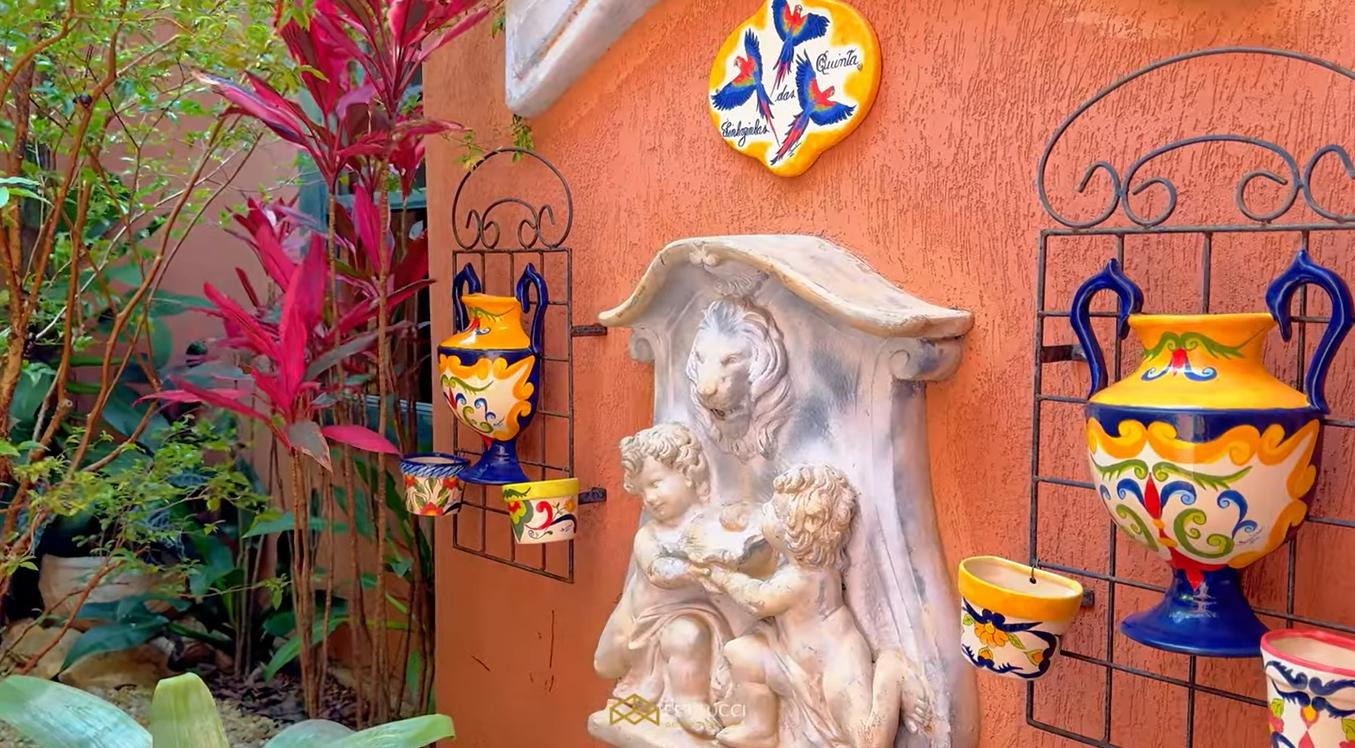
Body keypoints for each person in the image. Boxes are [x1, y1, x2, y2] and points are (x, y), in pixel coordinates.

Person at [697, 464, 924, 748]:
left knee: (868, 742)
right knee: (740, 653)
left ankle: (892, 671)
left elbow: (757, 600)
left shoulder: (802, 578)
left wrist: (723, 576)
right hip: (791, 659)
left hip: (835, 665)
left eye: (774, 510)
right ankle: (760, 728)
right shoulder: (806, 565)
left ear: (795, 534)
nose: (765, 509)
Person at [593, 423, 729, 737]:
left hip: (689, 616)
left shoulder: (712, 524)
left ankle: (690, 703)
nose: (650, 498)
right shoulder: (650, 534)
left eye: (655, 484)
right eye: (642, 492)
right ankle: (646, 697)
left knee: (686, 636)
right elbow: (658, 570)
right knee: (605, 663)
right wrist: (695, 571)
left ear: (687, 472)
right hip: (642, 620)